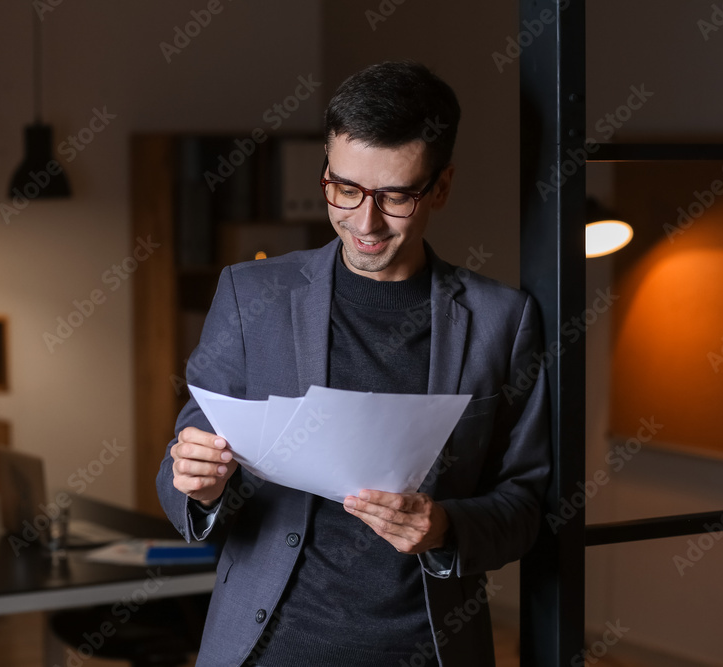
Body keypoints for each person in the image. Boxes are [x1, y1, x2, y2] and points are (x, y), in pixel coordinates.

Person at [156, 60, 551, 667]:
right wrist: (198, 486)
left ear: (440, 187)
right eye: (346, 189)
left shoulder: (504, 320)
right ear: (326, 177)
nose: (365, 223)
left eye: (395, 196)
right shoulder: (249, 294)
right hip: (266, 649)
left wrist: (444, 528)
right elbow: (185, 459)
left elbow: (526, 502)